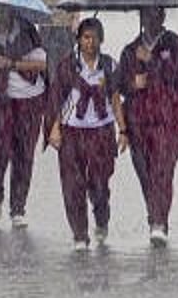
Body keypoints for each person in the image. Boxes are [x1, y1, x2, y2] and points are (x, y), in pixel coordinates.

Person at [47, 17, 128, 251]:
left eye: (94, 38)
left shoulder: (110, 66)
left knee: (100, 184)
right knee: (73, 186)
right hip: (72, 131)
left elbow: (115, 99)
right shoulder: (67, 66)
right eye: (85, 37)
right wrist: (54, 128)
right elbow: (58, 99)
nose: (90, 42)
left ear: (101, 40)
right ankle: (80, 234)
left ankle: (102, 219)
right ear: (78, 40)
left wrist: (123, 130)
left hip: (101, 132)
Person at [117, 7, 178, 247]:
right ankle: (155, 214)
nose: (150, 20)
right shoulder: (130, 51)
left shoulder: (177, 44)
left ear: (163, 17)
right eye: (145, 15)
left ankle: (158, 221)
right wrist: (133, 82)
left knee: (163, 169)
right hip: (138, 121)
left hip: (170, 120)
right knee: (145, 173)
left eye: (155, 15)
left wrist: (152, 64)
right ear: (140, 17)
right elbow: (120, 85)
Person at [0, 5, 49, 228]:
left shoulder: (27, 31)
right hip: (2, 99)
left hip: (30, 99)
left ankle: (18, 208)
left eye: (2, 12)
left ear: (12, 13)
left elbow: (42, 63)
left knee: (24, 154)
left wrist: (13, 63)